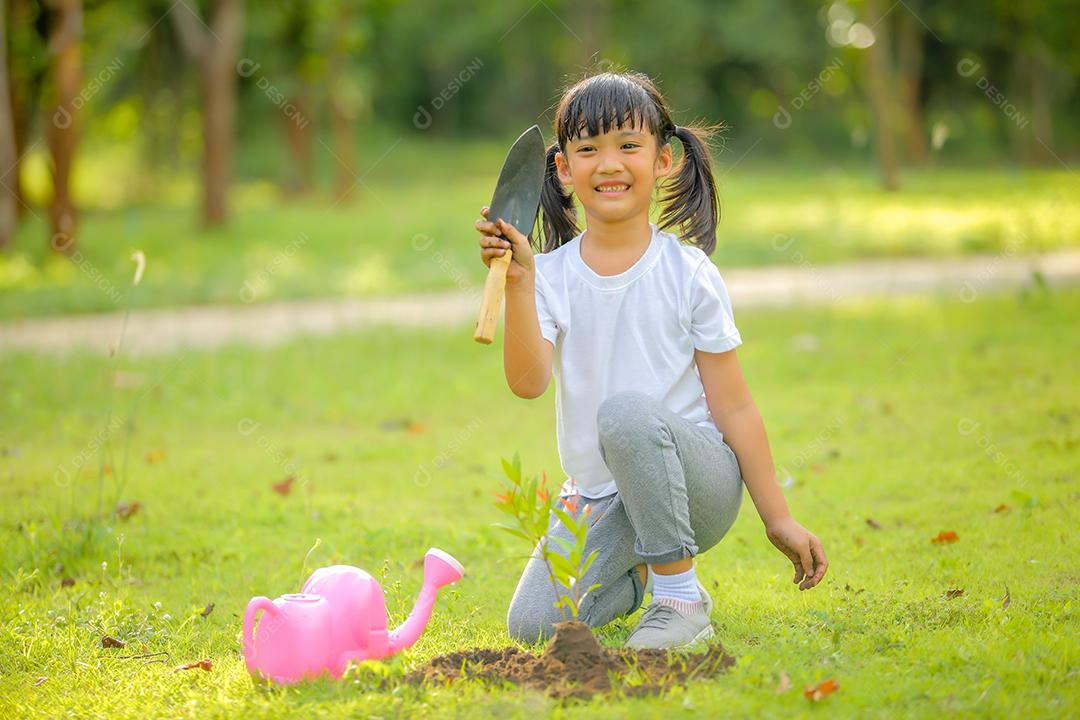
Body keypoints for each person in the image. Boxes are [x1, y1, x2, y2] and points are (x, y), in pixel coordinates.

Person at [474, 69, 828, 650]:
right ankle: (641, 580)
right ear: (563, 169)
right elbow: (528, 384)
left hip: (698, 485)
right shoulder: (549, 276)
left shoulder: (687, 272)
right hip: (602, 498)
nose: (608, 164)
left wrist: (778, 517)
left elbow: (734, 406)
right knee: (533, 626)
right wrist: (516, 282)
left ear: (664, 160)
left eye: (628, 146)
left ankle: (681, 597)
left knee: (626, 415)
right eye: (587, 149)